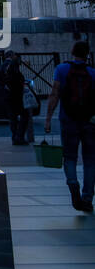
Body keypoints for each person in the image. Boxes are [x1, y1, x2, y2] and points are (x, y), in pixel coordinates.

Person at [45, 40, 95, 212]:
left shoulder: (61, 69)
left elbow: (54, 94)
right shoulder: (92, 73)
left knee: (70, 157)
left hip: (68, 120)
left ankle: (73, 186)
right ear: (87, 53)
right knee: (90, 160)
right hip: (89, 122)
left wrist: (48, 118)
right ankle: (87, 198)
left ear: (72, 52)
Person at [0, 52, 28, 145]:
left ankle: (15, 137)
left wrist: (4, 85)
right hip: (16, 95)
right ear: (12, 56)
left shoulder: (1, 66)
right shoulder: (13, 65)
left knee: (13, 118)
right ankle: (19, 137)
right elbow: (17, 79)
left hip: (7, 95)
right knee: (24, 115)